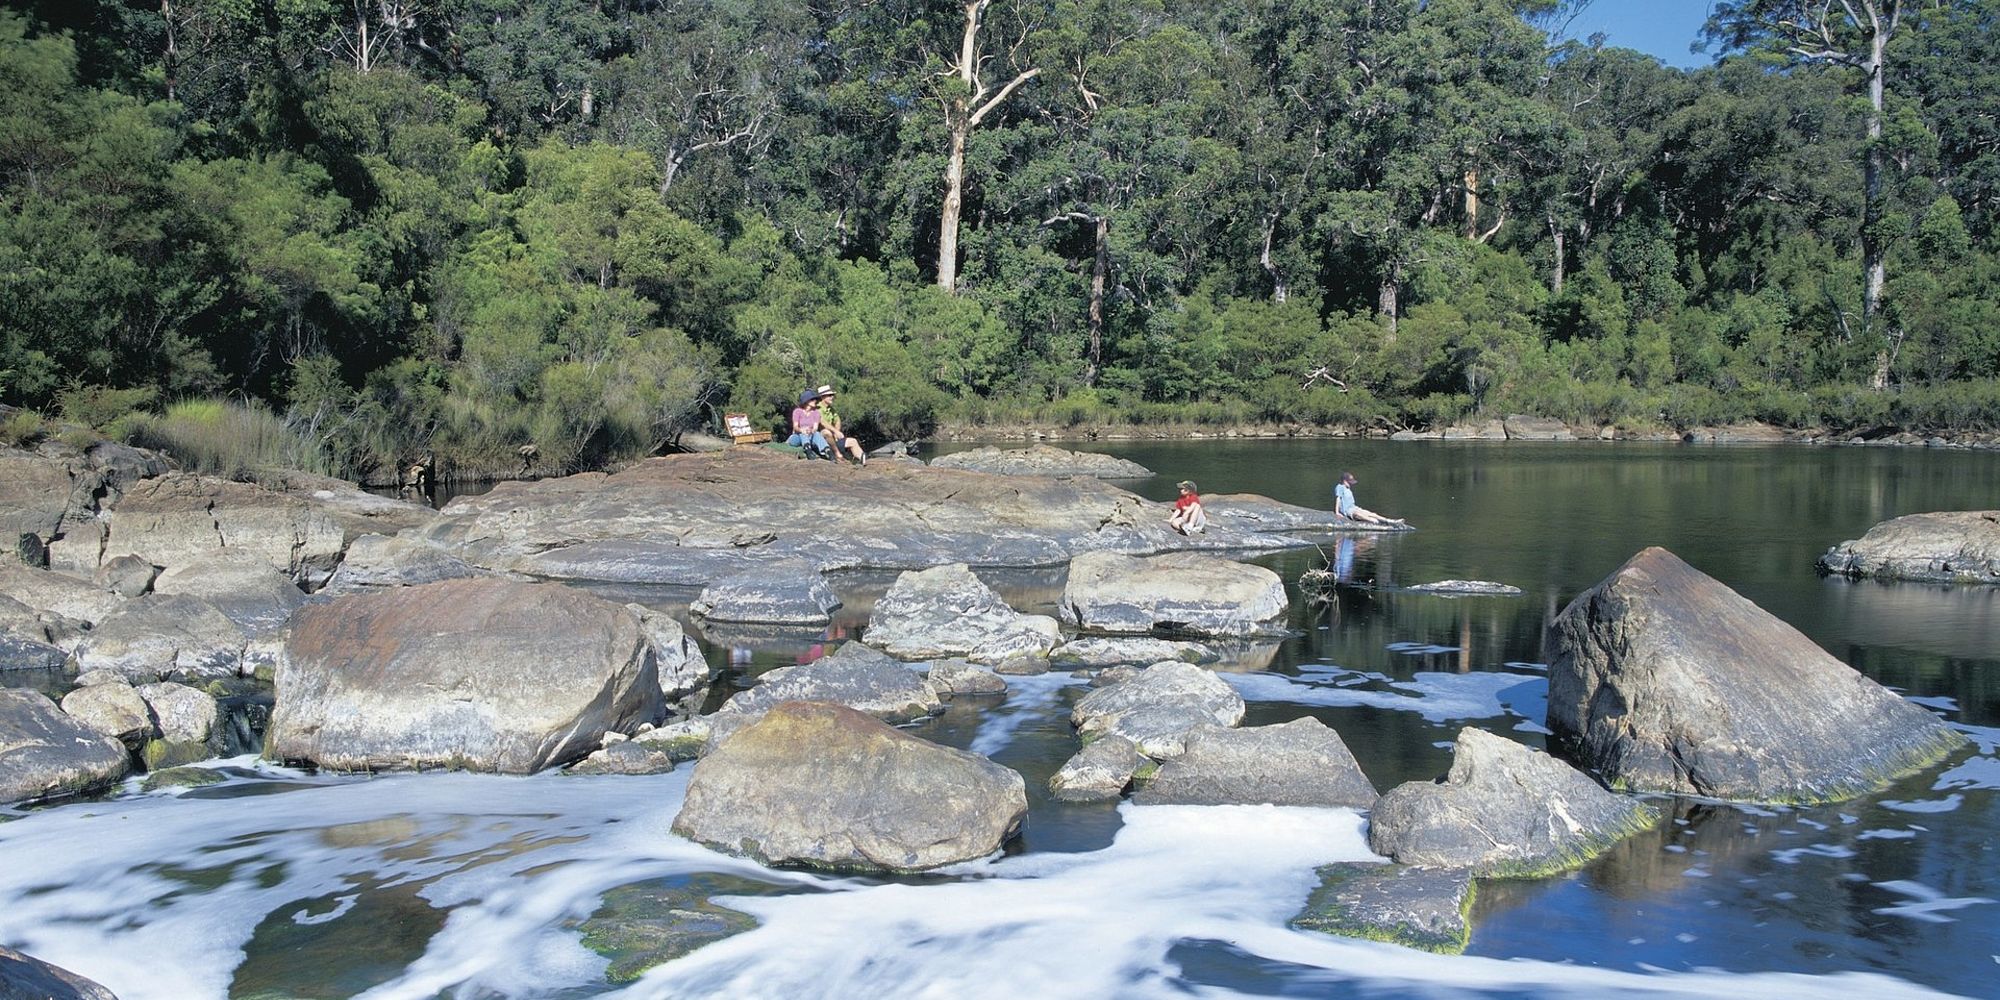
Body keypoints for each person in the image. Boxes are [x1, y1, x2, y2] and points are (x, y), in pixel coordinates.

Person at [812, 384, 867, 465]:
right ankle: (834, 453)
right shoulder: (817, 408)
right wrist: (835, 431)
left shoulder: (831, 409)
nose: (832, 397)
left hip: (833, 440)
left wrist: (836, 432)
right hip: (821, 440)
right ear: (822, 397)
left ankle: (863, 459)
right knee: (826, 431)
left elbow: (837, 420)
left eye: (832, 395)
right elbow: (822, 422)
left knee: (853, 441)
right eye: (830, 395)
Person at [1333, 471, 1406, 527]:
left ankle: (1390, 521)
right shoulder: (1340, 487)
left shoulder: (1348, 488)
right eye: (1350, 482)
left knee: (1371, 514)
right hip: (1348, 511)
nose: (1351, 484)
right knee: (1358, 514)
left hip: (1354, 507)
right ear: (1345, 481)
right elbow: (1338, 499)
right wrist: (1337, 512)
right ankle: (1374, 521)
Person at [787, 389, 830, 456]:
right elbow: (795, 427)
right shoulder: (797, 411)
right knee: (802, 433)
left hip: (810, 436)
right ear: (806, 401)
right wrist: (802, 430)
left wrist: (811, 431)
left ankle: (827, 450)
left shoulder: (816, 413)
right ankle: (807, 449)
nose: (815, 401)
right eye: (812, 399)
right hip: (797, 437)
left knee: (817, 434)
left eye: (815, 399)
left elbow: (815, 427)